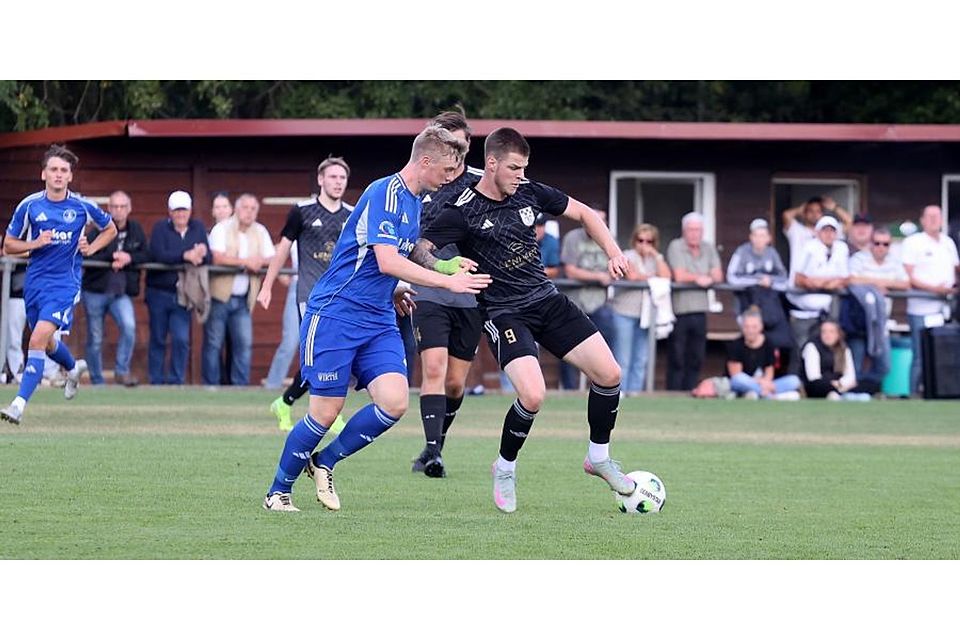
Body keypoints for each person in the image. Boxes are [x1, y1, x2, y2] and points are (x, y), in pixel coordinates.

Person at [263, 125, 490, 512]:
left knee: (395, 402)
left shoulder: (416, 201)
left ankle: (325, 461)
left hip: (379, 317)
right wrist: (445, 283)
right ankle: (278, 492)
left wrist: (436, 267)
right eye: (447, 170)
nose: (450, 178)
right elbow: (386, 260)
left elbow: (402, 253)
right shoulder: (384, 192)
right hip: (336, 313)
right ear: (426, 161)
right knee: (324, 412)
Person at [416, 127, 637, 514]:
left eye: (524, 168)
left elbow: (584, 213)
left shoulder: (531, 192)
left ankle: (598, 457)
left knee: (610, 374)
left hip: (546, 300)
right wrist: (445, 267)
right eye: (515, 168)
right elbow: (419, 248)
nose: (521, 175)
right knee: (533, 394)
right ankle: (504, 467)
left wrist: (613, 251)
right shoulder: (463, 209)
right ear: (492, 163)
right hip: (504, 313)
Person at [1, 144, 117, 425]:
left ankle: (18, 404)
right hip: (35, 284)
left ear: (70, 177)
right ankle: (73, 367)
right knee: (48, 341)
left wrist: (91, 248)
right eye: (53, 169)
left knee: (37, 339)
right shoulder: (29, 206)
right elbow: (8, 245)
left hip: (65, 284)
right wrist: (35, 243)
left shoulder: (82, 206)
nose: (58, 174)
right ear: (44, 174)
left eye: (64, 170)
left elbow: (110, 228)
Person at [407, 111, 485, 478]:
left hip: (470, 295)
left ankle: (434, 443)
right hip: (429, 290)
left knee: (456, 382)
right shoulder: (423, 183)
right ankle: (434, 453)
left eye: (463, 142)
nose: (458, 148)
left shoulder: (482, 185)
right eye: (450, 142)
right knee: (433, 369)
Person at [257, 156, 352, 431]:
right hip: (310, 295)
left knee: (335, 356)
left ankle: (286, 403)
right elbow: (283, 249)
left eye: (342, 178)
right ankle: (325, 414)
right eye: (333, 177)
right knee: (319, 355)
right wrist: (266, 285)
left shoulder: (352, 214)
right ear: (321, 180)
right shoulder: (302, 211)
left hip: (342, 297)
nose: (338, 182)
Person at [202, 193, 275, 386]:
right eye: (245, 207)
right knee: (213, 344)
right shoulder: (221, 228)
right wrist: (246, 262)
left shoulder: (260, 231)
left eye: (253, 209)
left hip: (244, 299)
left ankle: (239, 388)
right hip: (219, 297)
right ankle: (211, 387)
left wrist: (259, 261)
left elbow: (272, 257)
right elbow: (216, 257)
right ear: (236, 208)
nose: (249, 212)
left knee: (243, 345)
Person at [81, 190, 149, 386]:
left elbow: (146, 254)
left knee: (129, 327)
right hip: (95, 291)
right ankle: (97, 380)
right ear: (109, 209)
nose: (118, 211)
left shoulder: (135, 229)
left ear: (129, 209)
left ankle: (121, 371)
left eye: (122, 206)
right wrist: (111, 258)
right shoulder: (97, 230)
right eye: (115, 207)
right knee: (95, 337)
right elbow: (88, 255)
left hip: (121, 293)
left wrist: (128, 257)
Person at [145, 190, 210, 385]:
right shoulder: (159, 228)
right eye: (176, 211)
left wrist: (200, 254)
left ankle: (176, 381)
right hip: (158, 292)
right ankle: (156, 382)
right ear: (170, 212)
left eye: (184, 210)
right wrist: (185, 255)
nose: (180, 214)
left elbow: (207, 256)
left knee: (181, 339)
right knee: (158, 338)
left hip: (184, 294)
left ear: (190, 211)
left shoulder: (198, 228)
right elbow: (158, 254)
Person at [901, 205, 960, 394]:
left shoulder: (948, 242)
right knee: (920, 355)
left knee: (943, 353)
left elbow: (956, 270)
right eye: (930, 216)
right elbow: (908, 275)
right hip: (921, 307)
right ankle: (914, 393)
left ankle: (939, 391)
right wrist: (935, 289)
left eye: (937, 216)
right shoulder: (913, 242)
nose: (934, 220)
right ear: (922, 220)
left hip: (944, 308)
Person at [607, 223, 671, 393]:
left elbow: (666, 276)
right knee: (623, 357)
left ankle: (634, 393)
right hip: (624, 311)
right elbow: (633, 276)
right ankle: (618, 392)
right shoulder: (627, 255)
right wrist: (652, 277)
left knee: (641, 357)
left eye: (649, 241)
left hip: (646, 315)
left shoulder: (655, 259)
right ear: (634, 240)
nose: (644, 244)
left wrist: (657, 256)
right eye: (640, 240)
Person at [559, 207, 617, 389]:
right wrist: (598, 277)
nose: (597, 225)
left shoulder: (609, 238)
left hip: (600, 303)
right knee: (569, 349)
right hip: (575, 303)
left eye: (602, 221)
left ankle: (603, 387)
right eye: (594, 220)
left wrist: (611, 273)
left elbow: (617, 267)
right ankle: (569, 390)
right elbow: (570, 271)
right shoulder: (573, 238)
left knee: (606, 347)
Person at [665, 211, 723, 391]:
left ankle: (690, 390)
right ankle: (673, 393)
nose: (694, 233)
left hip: (700, 309)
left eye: (698, 230)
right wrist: (700, 278)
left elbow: (718, 275)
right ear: (684, 230)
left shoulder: (708, 247)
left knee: (697, 355)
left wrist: (706, 278)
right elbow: (679, 275)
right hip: (680, 310)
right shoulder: (676, 246)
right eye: (691, 229)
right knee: (677, 355)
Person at [846, 225, 908, 386]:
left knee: (884, 365)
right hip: (859, 321)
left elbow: (905, 283)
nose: (880, 247)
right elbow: (850, 279)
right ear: (871, 243)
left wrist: (881, 283)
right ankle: (854, 395)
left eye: (885, 244)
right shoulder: (859, 258)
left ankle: (864, 390)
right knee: (856, 364)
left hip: (880, 322)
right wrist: (875, 285)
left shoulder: (894, 262)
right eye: (877, 243)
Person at [787, 216, 849, 350]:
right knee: (801, 352)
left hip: (825, 313)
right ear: (817, 232)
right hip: (803, 312)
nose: (829, 234)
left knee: (823, 351)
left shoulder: (841, 248)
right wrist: (826, 283)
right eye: (825, 230)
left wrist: (822, 282)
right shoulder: (808, 247)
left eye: (832, 231)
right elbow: (798, 279)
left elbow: (844, 279)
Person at [726, 306, 801, 400]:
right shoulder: (736, 345)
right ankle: (770, 397)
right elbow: (736, 374)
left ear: (761, 327)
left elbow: (769, 372)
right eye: (747, 327)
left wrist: (764, 383)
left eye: (754, 327)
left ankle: (760, 394)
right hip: (745, 383)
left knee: (794, 381)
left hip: (764, 384)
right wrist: (758, 382)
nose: (750, 331)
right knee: (738, 380)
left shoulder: (769, 344)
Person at [800, 319, 871, 401]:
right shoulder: (812, 347)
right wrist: (833, 384)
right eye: (824, 332)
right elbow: (813, 377)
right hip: (819, 386)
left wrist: (840, 383)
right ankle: (842, 396)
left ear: (838, 334)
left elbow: (850, 375)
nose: (827, 335)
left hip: (839, 384)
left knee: (868, 385)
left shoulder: (844, 348)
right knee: (821, 386)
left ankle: (843, 395)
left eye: (831, 332)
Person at [782, 196, 851, 274]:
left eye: (818, 211)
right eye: (810, 211)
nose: (814, 214)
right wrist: (801, 208)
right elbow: (786, 215)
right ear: (804, 214)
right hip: (799, 281)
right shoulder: (797, 230)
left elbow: (849, 222)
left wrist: (835, 207)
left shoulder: (831, 230)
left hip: (824, 281)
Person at [535, 213, 561, 278]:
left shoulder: (551, 241)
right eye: (534, 225)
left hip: (540, 283)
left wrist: (533, 272)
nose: (537, 229)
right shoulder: (517, 239)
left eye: (540, 225)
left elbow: (554, 270)